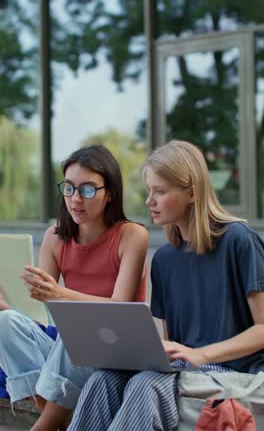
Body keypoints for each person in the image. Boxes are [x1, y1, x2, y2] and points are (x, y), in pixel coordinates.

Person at [67, 140, 264, 431]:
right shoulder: (164, 260)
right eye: (149, 191)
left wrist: (201, 354)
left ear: (192, 193)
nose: (149, 201)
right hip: (190, 370)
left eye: (159, 192)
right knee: (103, 379)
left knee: (148, 384)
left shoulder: (239, 240)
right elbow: (172, 343)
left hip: (240, 373)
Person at [0, 144, 149, 431]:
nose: (75, 199)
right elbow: (40, 311)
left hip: (118, 351)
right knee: (5, 323)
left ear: (110, 194)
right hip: (70, 353)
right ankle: (63, 416)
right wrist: (9, 307)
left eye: (88, 190)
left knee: (80, 328)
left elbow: (120, 309)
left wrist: (60, 294)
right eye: (68, 188)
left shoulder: (133, 236)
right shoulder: (55, 237)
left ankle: (44, 426)